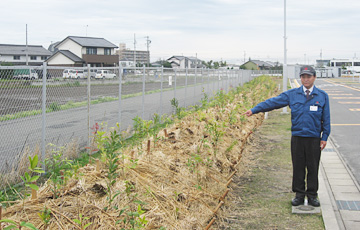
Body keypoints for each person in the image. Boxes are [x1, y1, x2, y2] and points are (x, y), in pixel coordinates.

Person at [244, 66, 330, 207]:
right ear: (300, 78)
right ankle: (299, 195)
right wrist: (254, 110)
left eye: (309, 76)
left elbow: (326, 119)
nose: (306, 79)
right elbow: (273, 102)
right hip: (297, 137)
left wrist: (324, 137)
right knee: (298, 166)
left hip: (314, 138)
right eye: (303, 77)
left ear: (314, 77)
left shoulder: (322, 96)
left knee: (313, 167)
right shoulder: (293, 94)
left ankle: (312, 195)